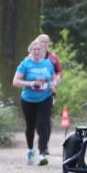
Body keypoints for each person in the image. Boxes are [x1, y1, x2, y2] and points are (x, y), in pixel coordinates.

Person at [13, 37, 57, 165]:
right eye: (34, 49)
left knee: (42, 124)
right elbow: (15, 82)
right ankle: (30, 149)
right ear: (31, 51)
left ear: (43, 51)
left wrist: (53, 84)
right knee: (30, 127)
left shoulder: (47, 64)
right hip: (28, 99)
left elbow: (53, 78)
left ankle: (42, 153)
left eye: (39, 49)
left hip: (45, 98)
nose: (37, 51)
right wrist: (30, 83)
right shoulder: (25, 64)